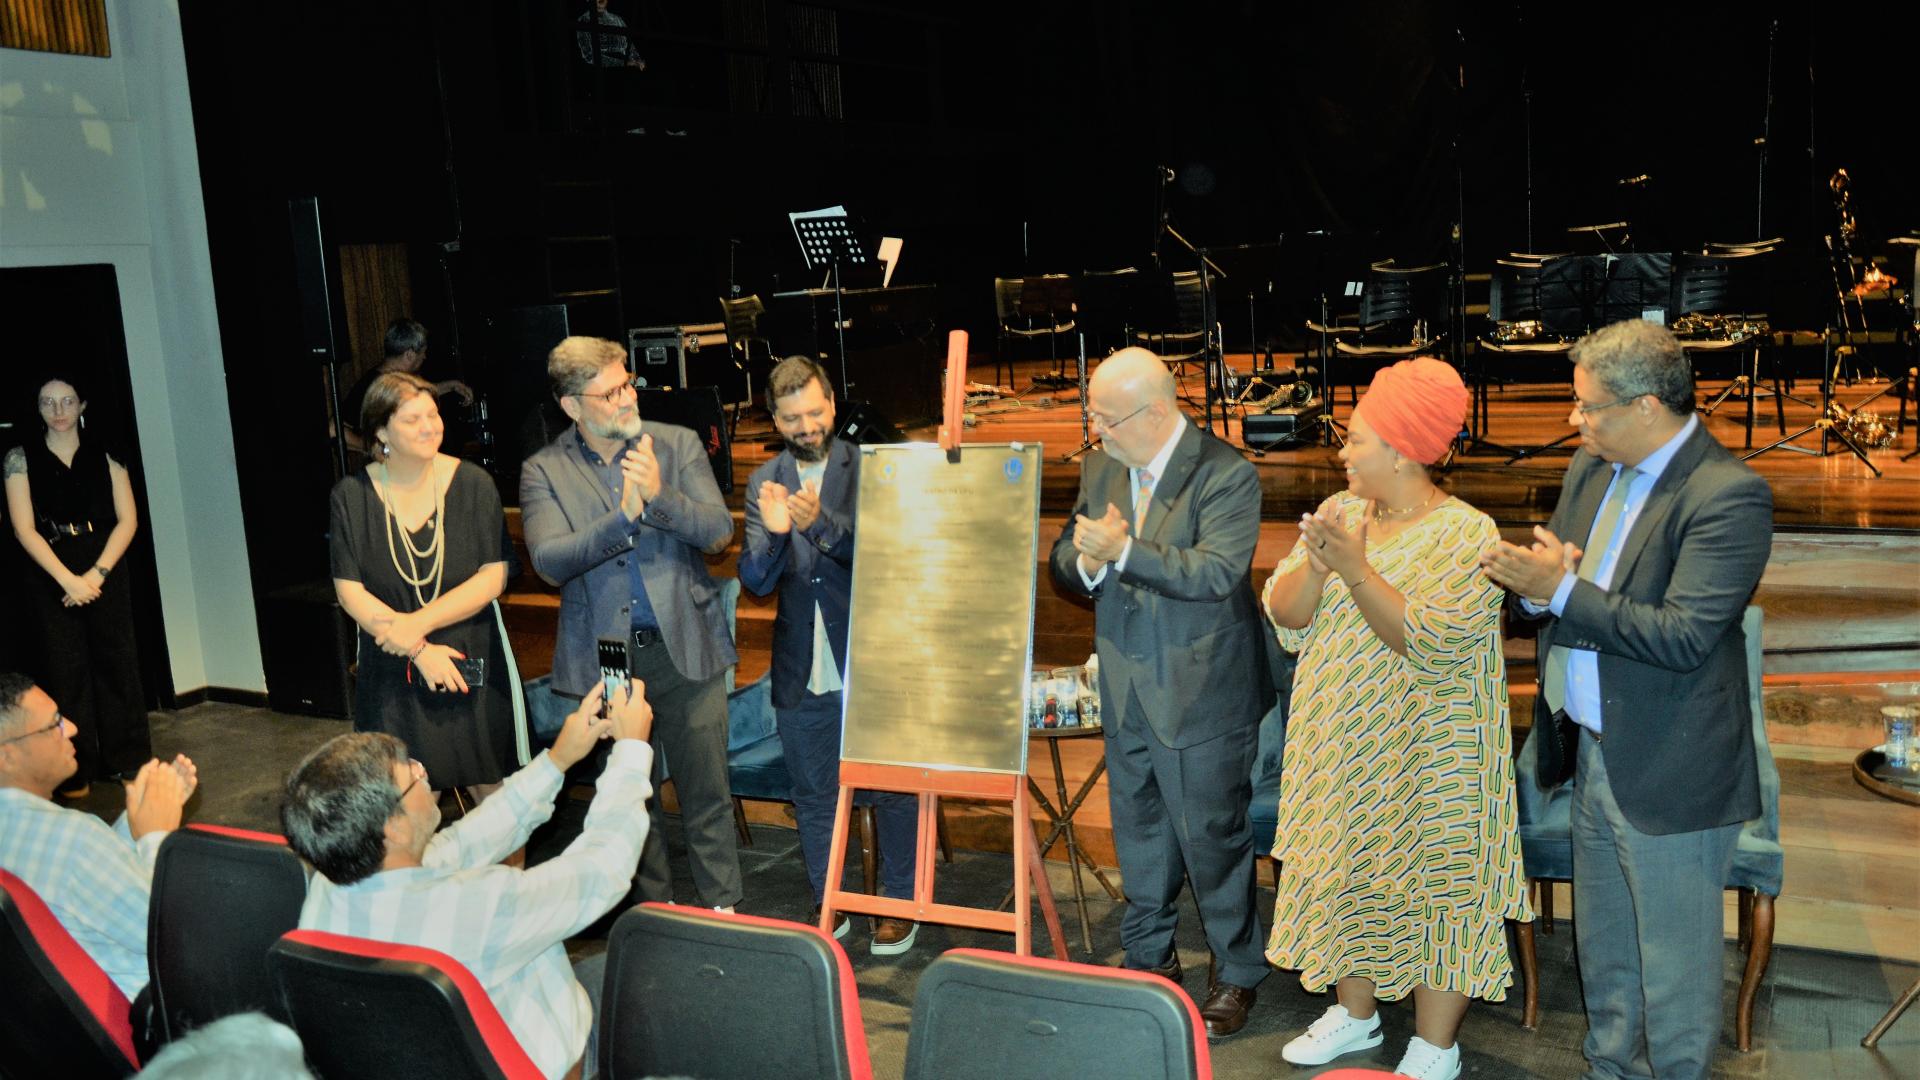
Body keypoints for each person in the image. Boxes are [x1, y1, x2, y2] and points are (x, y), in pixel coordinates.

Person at [1482, 319, 1772, 1080]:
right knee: (1604, 950)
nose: (1575, 421)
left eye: (1588, 407)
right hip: (1588, 754)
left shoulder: (1728, 495)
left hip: (1669, 767)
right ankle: (1608, 1069)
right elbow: (1559, 600)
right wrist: (1540, 595)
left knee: (1674, 972)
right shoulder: (1592, 469)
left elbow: (1682, 636)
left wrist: (1563, 591)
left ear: (1646, 406)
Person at [1262, 357, 1530, 1080]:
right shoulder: (1342, 514)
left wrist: (1353, 569)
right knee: (1344, 870)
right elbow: (1283, 615)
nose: (1342, 451)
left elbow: (1427, 643)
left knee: (1438, 887)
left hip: (1429, 758)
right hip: (1339, 744)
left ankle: (1435, 1047)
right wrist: (1316, 568)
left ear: (1402, 450)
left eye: (1355, 438)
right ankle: (1355, 1017)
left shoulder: (1470, 536)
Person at [1047, 347, 1272, 1039]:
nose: (1096, 430)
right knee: (1139, 831)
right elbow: (1065, 559)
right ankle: (1149, 955)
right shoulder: (1102, 467)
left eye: (1106, 418)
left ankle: (1237, 971)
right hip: (1124, 682)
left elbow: (1214, 573)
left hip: (1202, 691)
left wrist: (1121, 553)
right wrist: (1086, 559)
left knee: (1213, 839)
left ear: (1154, 412)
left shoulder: (1226, 474)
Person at [283, 680, 652, 1080]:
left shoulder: (328, 885)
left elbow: (463, 842)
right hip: (540, 1063)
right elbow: (603, 869)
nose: (423, 770)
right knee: (658, 972)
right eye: (409, 773)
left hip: (424, 1057)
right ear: (393, 828)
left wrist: (556, 761)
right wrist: (631, 752)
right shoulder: (479, 906)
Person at [519, 336, 741, 912]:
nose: (626, 397)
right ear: (572, 406)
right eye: (609, 391)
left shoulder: (676, 443)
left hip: (684, 646)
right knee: (629, 795)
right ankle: (656, 917)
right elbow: (548, 561)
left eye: (627, 382)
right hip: (606, 663)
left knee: (707, 791)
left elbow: (719, 533)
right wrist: (624, 518)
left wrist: (660, 497)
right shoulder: (544, 470)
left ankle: (724, 909)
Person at [738, 355, 918, 954]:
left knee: (892, 787)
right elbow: (756, 581)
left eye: (816, 412)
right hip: (800, 663)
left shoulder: (872, 469)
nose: (808, 426)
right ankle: (829, 898)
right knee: (813, 793)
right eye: (793, 418)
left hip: (872, 658)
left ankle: (898, 903)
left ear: (833, 405)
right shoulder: (765, 476)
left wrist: (819, 527)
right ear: (775, 419)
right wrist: (778, 535)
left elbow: (892, 557)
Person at [329, 372, 517, 798]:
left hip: (469, 655)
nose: (430, 426)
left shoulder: (474, 484)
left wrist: (416, 626)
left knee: (497, 804)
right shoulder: (351, 496)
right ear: (381, 431)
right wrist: (417, 648)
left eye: (433, 415)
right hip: (393, 664)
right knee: (406, 806)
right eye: (413, 419)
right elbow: (349, 592)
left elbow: (494, 576)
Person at [0, 672, 197, 999]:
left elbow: (89, 878)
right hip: (151, 1013)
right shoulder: (73, 841)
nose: (73, 729)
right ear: (6, 755)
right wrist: (155, 836)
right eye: (54, 724)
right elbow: (174, 935)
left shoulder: (54, 835)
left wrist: (137, 820)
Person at [4, 375, 151, 796]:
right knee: (65, 669)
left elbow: (129, 520)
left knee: (118, 662)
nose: (59, 410)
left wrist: (97, 574)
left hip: (104, 560)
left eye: (67, 401)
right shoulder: (20, 456)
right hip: (50, 567)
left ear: (82, 405)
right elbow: (23, 528)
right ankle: (74, 770)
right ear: (37, 409)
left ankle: (128, 760)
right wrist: (67, 579)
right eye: (48, 402)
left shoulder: (107, 452)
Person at [340, 319, 474, 457]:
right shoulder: (373, 386)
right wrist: (377, 448)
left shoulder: (401, 378)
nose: (424, 357)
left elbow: (418, 393)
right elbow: (334, 429)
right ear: (409, 355)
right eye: (422, 352)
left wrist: (452, 386)